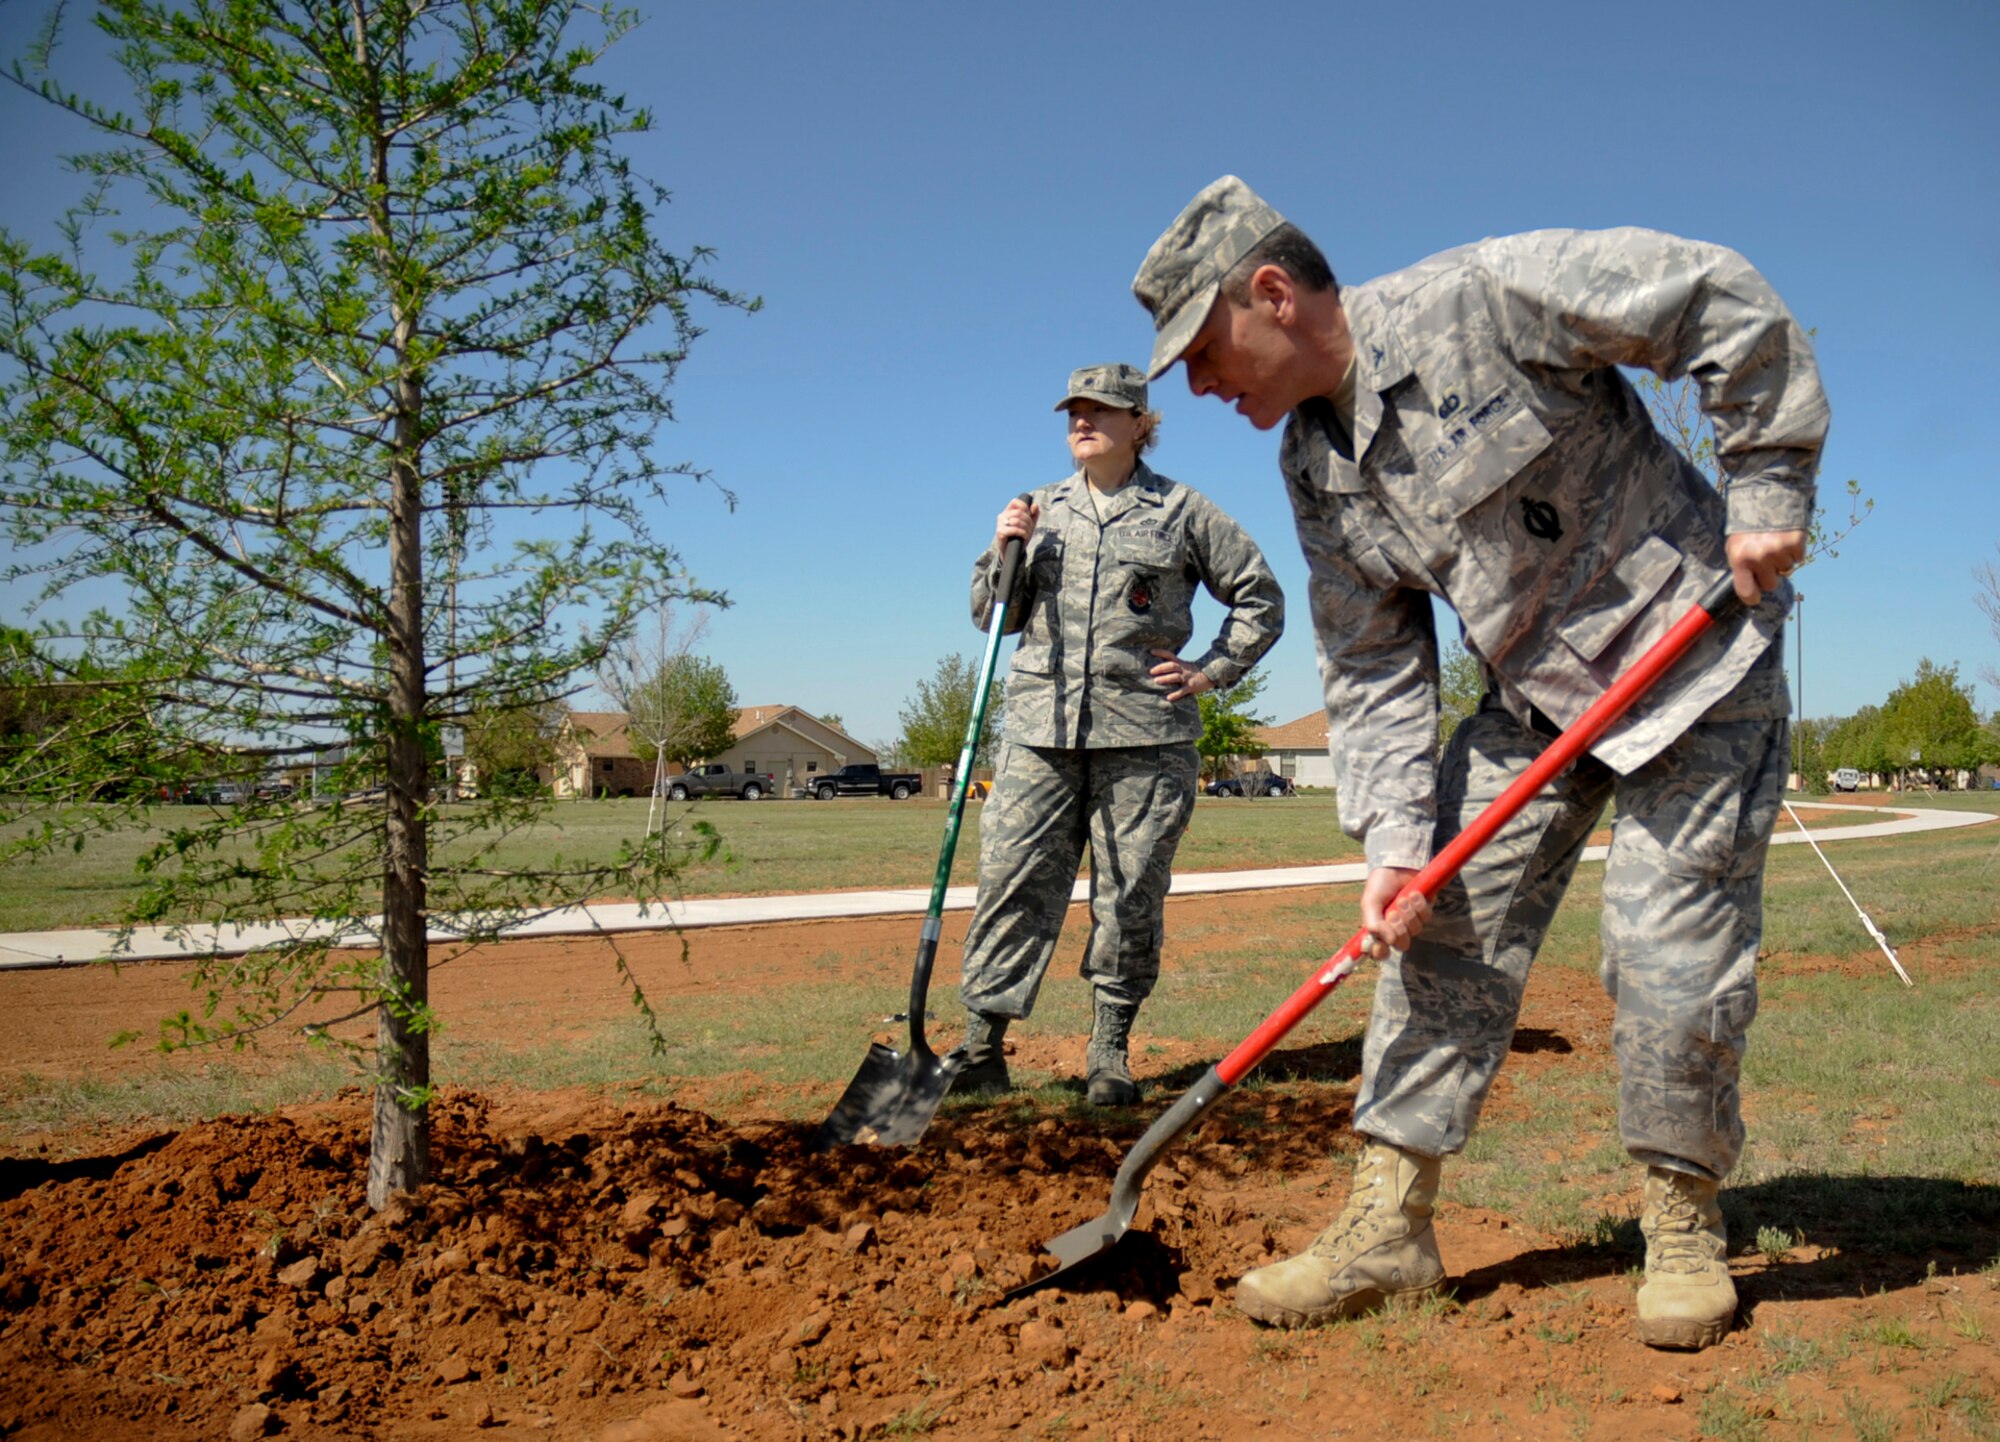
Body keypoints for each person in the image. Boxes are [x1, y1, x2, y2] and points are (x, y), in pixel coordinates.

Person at [1131, 179, 1828, 1350]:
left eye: (1202, 351)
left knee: (1665, 951)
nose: (1199, 386)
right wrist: (1395, 844)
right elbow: (1369, 662)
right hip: (1530, 697)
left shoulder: (1482, 299)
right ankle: (1387, 1224)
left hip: (1694, 657)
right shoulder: (1311, 464)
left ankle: (1679, 1220)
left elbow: (1715, 294)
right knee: (1433, 927)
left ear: (1271, 293)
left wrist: (1765, 481)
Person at [955, 363, 1283, 1106]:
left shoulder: (1183, 513)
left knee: (1129, 895)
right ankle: (981, 1048)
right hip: (1040, 735)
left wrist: (1209, 671)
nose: (1082, 420)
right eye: (1073, 409)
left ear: (1141, 423)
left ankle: (1109, 1049)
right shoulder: (1036, 509)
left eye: (1101, 410)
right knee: (1010, 886)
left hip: (1146, 737)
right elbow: (991, 618)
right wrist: (1003, 547)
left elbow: (1261, 598)